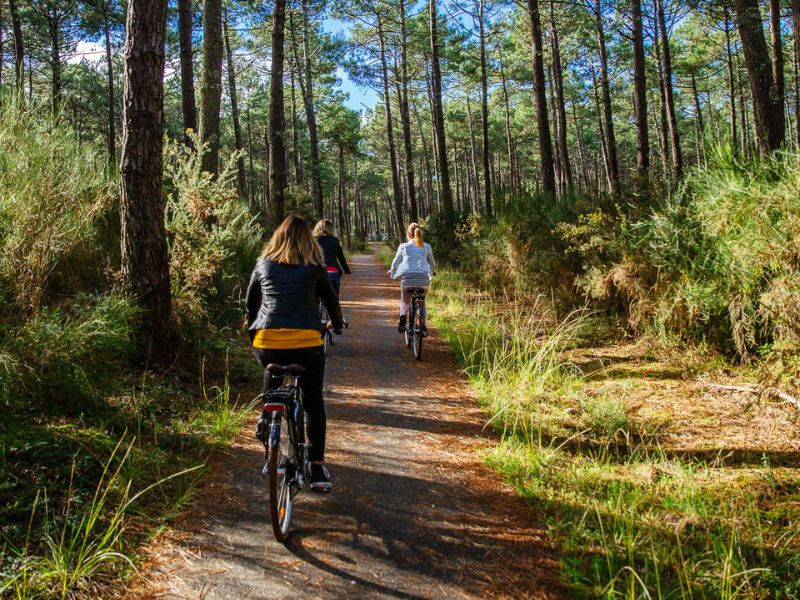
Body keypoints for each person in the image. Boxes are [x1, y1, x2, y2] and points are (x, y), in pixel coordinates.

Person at [246, 214, 344, 492]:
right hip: (307, 344)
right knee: (313, 400)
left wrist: (255, 338)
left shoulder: (262, 264)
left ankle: (268, 419)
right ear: (308, 240)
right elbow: (331, 303)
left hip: (267, 343)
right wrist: (336, 325)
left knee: (271, 370)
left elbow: (250, 305)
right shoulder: (314, 267)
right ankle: (316, 467)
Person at [388, 222, 436, 334]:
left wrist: (392, 273)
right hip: (423, 280)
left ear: (408, 234)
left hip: (407, 280)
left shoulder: (403, 247)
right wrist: (432, 272)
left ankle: (403, 318)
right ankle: (423, 326)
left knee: (405, 301)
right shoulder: (427, 246)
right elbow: (432, 263)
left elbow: (396, 262)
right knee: (422, 302)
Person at [312, 219, 351, 297]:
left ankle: (321, 307)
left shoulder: (314, 241)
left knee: (318, 298)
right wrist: (347, 270)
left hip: (318, 273)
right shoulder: (335, 240)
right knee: (334, 298)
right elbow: (341, 257)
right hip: (333, 272)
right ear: (331, 228)